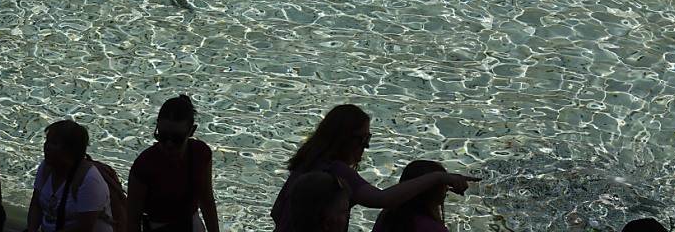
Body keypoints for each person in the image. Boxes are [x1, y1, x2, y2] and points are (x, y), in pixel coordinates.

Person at [270, 105, 479, 232]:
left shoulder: (304, 166)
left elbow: (276, 213)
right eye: (363, 139)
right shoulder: (335, 171)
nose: (366, 146)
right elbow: (383, 199)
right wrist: (437, 178)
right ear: (344, 139)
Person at [127, 95, 219, 232]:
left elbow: (207, 200)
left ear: (191, 131)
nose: (168, 144)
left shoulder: (201, 154)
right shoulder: (144, 165)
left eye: (176, 138)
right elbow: (132, 220)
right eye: (162, 136)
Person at [28, 119, 113, 232]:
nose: (46, 147)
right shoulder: (46, 168)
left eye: (54, 143)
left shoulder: (89, 180)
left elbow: (85, 228)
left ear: (70, 150)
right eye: (47, 141)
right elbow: (36, 205)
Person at [372, 161, 451, 232]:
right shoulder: (433, 228)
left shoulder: (387, 215)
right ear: (434, 191)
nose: (447, 188)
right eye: (443, 184)